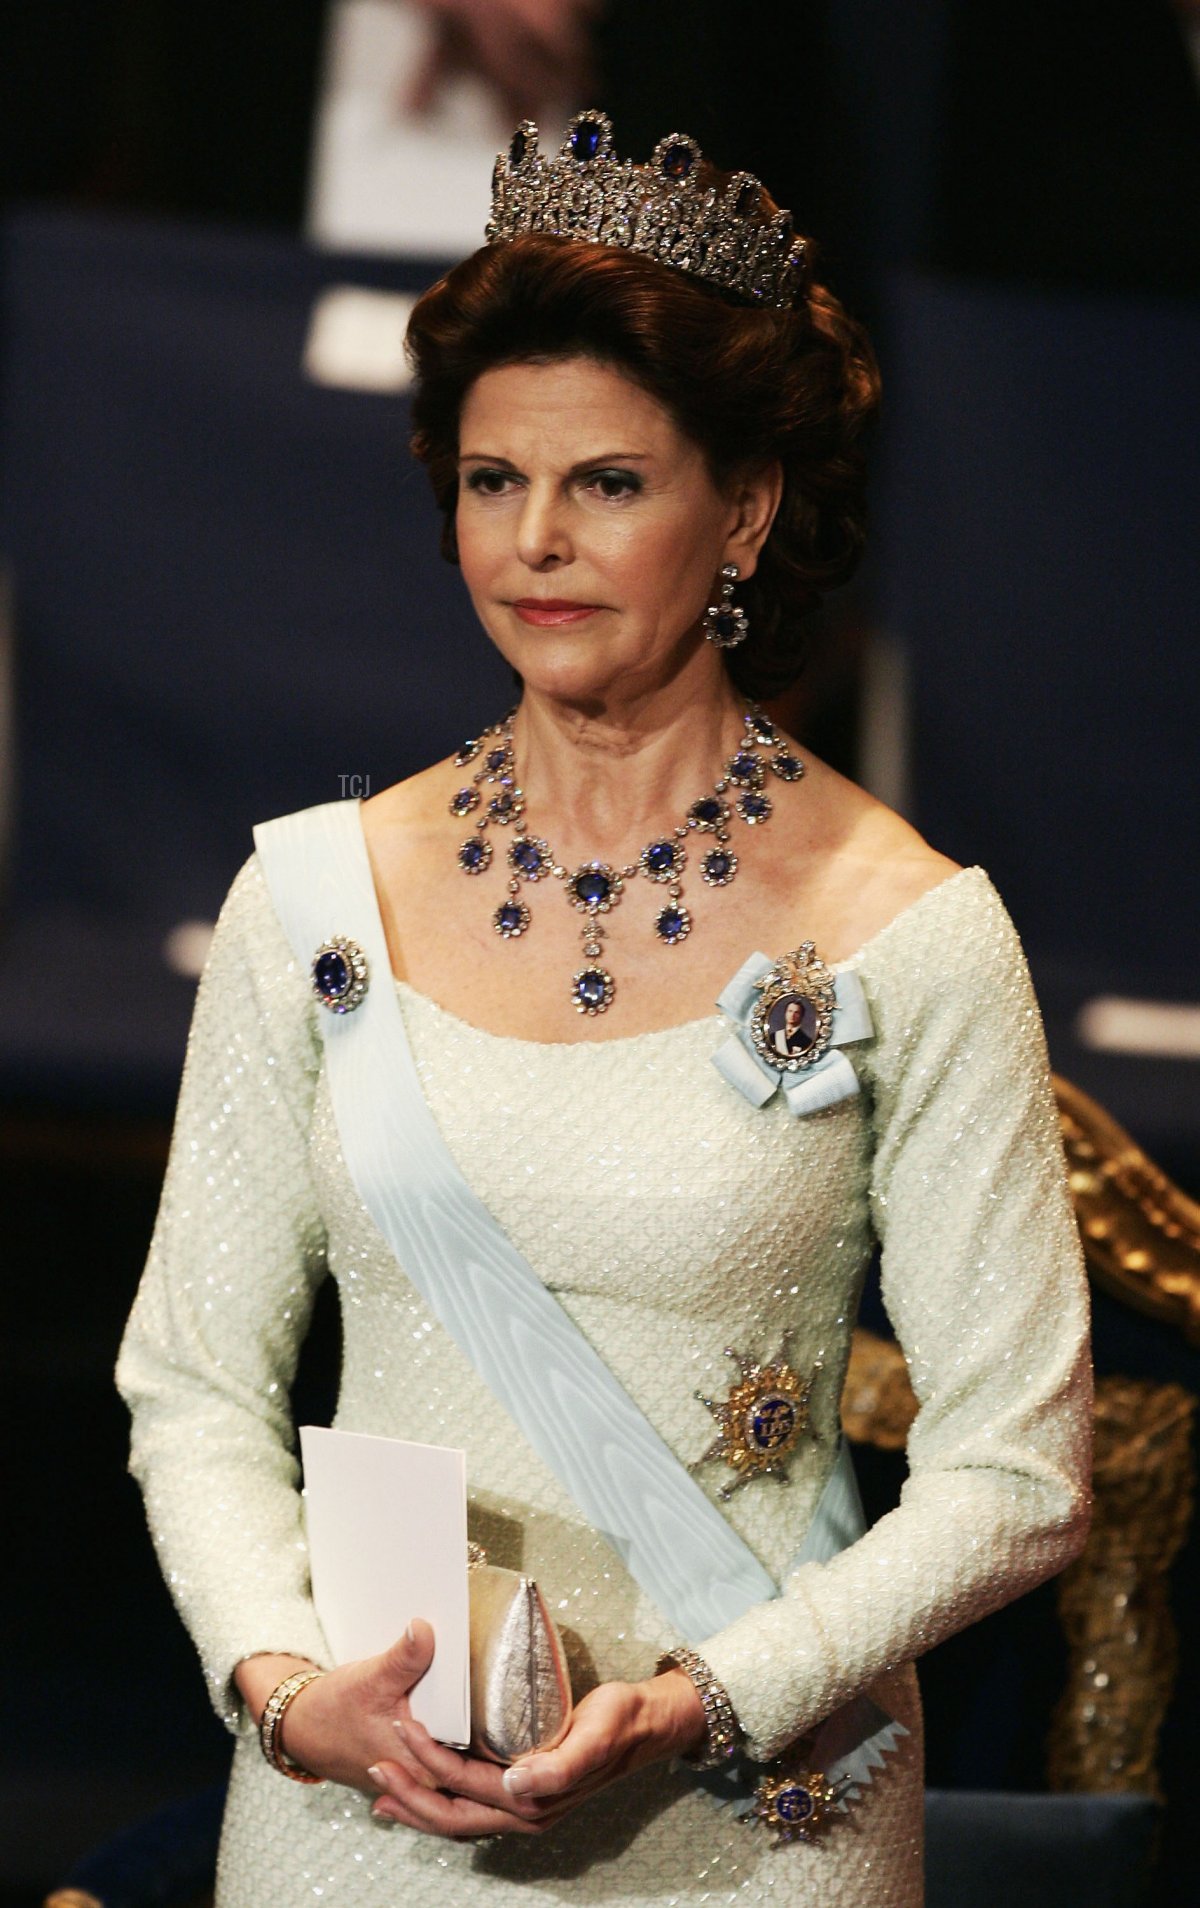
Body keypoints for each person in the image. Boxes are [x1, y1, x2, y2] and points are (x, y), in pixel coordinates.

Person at [116, 110, 1092, 1907]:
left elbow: (1019, 1471)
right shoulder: (315, 903)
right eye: (494, 481)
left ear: (749, 507)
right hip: (363, 1806)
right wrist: (284, 1685)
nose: (537, 543)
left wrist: (717, 1696)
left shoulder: (913, 933)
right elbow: (190, 1384)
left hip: (754, 1815)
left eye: (610, 485)